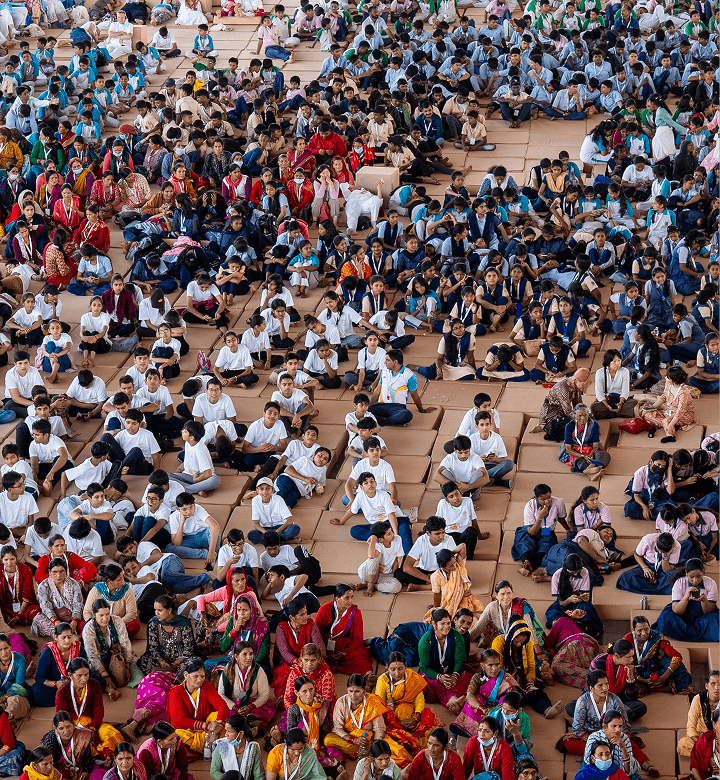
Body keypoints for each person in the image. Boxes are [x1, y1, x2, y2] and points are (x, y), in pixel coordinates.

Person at [122, 596, 196, 741]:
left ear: (170, 610)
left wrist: (175, 664)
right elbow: (153, 648)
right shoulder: (153, 623)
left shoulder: (183, 623)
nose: (156, 613)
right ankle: (161, 683)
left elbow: (188, 649)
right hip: (161, 660)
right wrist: (162, 662)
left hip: (180, 660)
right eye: (155, 610)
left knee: (192, 665)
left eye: (160, 610)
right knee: (146, 662)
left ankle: (140, 720)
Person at [324, 674, 412, 765]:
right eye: (350, 691)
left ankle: (366, 751)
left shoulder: (372, 702)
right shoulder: (341, 702)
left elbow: (379, 728)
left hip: (370, 739)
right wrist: (354, 740)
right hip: (349, 739)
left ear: (364, 691)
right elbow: (337, 728)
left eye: (357, 691)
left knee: (399, 752)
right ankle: (364, 751)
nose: (353, 695)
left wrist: (375, 746)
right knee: (328, 740)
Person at [55, 657, 124, 762]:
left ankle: (107, 757)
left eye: (86, 674)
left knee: (112, 734)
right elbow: (62, 717)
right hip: (71, 727)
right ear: (70, 675)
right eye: (79, 675)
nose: (84, 679)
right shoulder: (62, 692)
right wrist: (74, 729)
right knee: (80, 742)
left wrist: (92, 728)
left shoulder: (95, 685)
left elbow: (99, 710)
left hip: (92, 723)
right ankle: (97, 760)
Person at [374, 653, 443, 750]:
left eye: (400, 668)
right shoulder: (383, 680)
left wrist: (415, 718)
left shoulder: (412, 677)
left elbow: (420, 699)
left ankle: (409, 738)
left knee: (429, 725)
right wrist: (397, 722)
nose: (397, 673)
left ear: (405, 666)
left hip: (411, 714)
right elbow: (380, 704)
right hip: (391, 716)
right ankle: (406, 738)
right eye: (392, 669)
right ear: (387, 668)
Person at [165, 657, 231, 758]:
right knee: (177, 735)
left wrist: (217, 726)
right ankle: (212, 746)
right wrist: (206, 726)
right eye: (195, 676)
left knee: (221, 718)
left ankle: (203, 747)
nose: (200, 680)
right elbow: (179, 721)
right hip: (189, 730)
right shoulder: (176, 692)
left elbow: (223, 706)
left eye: (202, 676)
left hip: (210, 730)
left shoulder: (207, 687)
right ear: (186, 675)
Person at [449, 648, 518, 742]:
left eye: (497, 664)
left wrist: (494, 709)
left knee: (507, 709)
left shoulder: (507, 679)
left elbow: (513, 699)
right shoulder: (477, 677)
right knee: (472, 702)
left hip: (499, 709)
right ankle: (474, 734)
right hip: (483, 708)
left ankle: (492, 737)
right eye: (490, 665)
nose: (495, 668)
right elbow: (469, 695)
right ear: (482, 665)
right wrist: (483, 709)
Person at [81, 598, 139, 702]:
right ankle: (110, 689)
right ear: (94, 615)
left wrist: (126, 665)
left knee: (133, 676)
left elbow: (125, 644)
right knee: (92, 678)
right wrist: (105, 674)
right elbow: (92, 655)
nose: (105, 618)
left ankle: (112, 683)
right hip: (98, 659)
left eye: (107, 614)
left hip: (116, 655)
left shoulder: (117, 621)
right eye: (101, 615)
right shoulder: (88, 629)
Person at [622, 615, 693, 696]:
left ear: (649, 627)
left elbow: (676, 656)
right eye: (639, 630)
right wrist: (641, 679)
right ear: (633, 630)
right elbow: (623, 661)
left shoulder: (656, 637)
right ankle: (659, 687)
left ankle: (654, 685)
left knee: (676, 664)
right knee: (625, 676)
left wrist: (664, 677)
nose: (644, 633)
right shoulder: (627, 640)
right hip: (634, 670)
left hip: (652, 666)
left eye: (646, 629)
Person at [512, 483, 570, 577]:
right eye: (543, 499)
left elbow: (561, 518)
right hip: (531, 529)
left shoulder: (558, 502)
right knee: (524, 540)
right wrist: (540, 516)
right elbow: (532, 532)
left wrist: (568, 529)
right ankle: (525, 562)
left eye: (549, 497)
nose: (547, 501)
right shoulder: (530, 505)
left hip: (546, 530)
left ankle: (530, 566)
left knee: (547, 544)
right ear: (536, 498)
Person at [655, 558, 719, 642]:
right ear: (686, 574)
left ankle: (683, 633)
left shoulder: (711, 583)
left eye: (699, 576)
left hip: (702, 615)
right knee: (666, 617)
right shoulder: (679, 583)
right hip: (683, 614)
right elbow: (677, 611)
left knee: (714, 619)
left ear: (703, 572)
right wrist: (686, 596)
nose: (695, 580)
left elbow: (709, 611)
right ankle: (699, 634)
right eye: (691, 577)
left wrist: (704, 601)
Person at [314, 584, 372, 675]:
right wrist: (324, 654)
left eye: (352, 597)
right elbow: (316, 635)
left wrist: (343, 653)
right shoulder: (324, 609)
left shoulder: (355, 612)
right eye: (347, 598)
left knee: (362, 661)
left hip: (346, 646)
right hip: (325, 646)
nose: (351, 601)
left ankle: (368, 675)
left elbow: (358, 638)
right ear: (337, 598)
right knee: (316, 663)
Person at [417, 609, 467, 714]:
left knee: (465, 677)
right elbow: (424, 667)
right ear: (434, 624)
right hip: (433, 674)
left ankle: (453, 700)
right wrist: (440, 677)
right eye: (442, 624)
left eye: (448, 623)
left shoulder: (457, 637)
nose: (446, 627)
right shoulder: (425, 641)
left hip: (451, 672)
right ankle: (453, 699)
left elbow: (460, 660)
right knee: (430, 684)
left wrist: (455, 676)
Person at [368, 350, 436, 426]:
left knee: (407, 415)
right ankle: (392, 421)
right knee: (366, 410)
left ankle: (384, 421)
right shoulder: (384, 370)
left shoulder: (409, 375)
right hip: (381, 405)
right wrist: (370, 406)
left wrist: (422, 410)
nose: (385, 362)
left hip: (398, 408)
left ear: (395, 362)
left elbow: (414, 395)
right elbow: (378, 389)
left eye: (387, 360)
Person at [30, 622, 89, 708]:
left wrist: (76, 682)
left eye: (69, 637)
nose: (67, 640)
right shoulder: (48, 652)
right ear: (56, 637)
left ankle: (69, 697)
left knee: (98, 682)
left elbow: (86, 669)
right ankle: (71, 698)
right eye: (63, 637)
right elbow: (40, 678)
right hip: (55, 685)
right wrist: (56, 684)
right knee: (37, 691)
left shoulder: (78, 648)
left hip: (75, 682)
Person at [545, 553, 603, 639]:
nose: (575, 574)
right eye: (573, 572)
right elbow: (561, 602)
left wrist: (584, 597)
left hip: (577, 600)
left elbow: (584, 593)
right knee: (554, 614)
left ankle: (587, 628)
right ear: (566, 568)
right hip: (563, 602)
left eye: (578, 572)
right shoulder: (557, 575)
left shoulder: (584, 571)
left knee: (585, 607)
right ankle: (574, 623)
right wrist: (569, 600)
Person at [217, 641, 274, 725]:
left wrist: (251, 706)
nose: (249, 657)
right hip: (233, 703)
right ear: (236, 657)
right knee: (227, 717)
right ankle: (250, 725)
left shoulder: (258, 670)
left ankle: (250, 723)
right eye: (245, 654)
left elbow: (264, 693)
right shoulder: (228, 671)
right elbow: (221, 694)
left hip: (252, 702)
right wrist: (235, 707)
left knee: (260, 713)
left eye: (251, 654)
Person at [640, 365, 696, 443]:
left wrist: (671, 423)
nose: (665, 378)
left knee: (666, 421)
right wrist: (653, 406)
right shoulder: (668, 384)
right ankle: (671, 425)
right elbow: (664, 397)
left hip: (683, 415)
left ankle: (670, 435)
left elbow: (680, 412)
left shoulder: (684, 393)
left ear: (674, 381)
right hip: (670, 411)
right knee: (647, 414)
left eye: (668, 377)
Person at [82, 563, 140, 638]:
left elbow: (132, 613)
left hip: (118, 625)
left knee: (134, 625)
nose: (123, 581)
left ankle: (109, 637)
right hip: (98, 624)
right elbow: (87, 611)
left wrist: (114, 625)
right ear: (109, 581)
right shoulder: (97, 589)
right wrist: (97, 625)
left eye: (123, 577)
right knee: (82, 626)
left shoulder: (127, 590)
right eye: (119, 580)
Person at [31, 557, 83, 638]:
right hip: (53, 620)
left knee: (84, 623)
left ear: (66, 572)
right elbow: (45, 607)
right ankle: (63, 636)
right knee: (39, 619)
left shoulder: (74, 584)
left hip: (71, 617)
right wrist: (56, 621)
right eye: (54, 572)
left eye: (61, 571)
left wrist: (74, 622)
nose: (58, 575)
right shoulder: (43, 586)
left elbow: (78, 604)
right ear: (49, 572)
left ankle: (64, 636)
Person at [535, 368, 592, 441]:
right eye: (583, 385)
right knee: (570, 426)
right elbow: (568, 412)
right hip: (550, 412)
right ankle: (544, 426)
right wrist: (582, 418)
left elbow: (578, 404)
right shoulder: (563, 388)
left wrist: (586, 414)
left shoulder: (575, 385)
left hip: (562, 411)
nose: (584, 387)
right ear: (576, 380)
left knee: (585, 419)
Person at [42, 711, 102, 780]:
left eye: (68, 727)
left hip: (79, 766)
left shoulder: (82, 736)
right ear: (55, 729)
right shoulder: (50, 741)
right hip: (59, 771)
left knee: (96, 776)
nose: (66, 731)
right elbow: (49, 765)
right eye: (61, 728)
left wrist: (85, 772)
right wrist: (63, 774)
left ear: (73, 725)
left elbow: (87, 758)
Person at [545, 614, 601, 688]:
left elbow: (548, 641)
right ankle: (591, 684)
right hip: (589, 650)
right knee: (560, 675)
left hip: (576, 644)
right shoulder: (575, 627)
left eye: (554, 625)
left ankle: (595, 676)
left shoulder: (562, 619)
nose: (554, 627)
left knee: (556, 666)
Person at [616, 531, 681, 595]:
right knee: (625, 577)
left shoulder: (676, 546)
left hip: (663, 569)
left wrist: (664, 555)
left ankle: (651, 585)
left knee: (677, 579)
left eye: (662, 551)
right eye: (659, 550)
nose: (660, 552)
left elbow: (667, 570)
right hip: (648, 565)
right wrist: (645, 568)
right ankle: (658, 587)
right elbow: (637, 555)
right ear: (656, 540)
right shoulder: (648, 539)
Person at [560, 404, 611, 481]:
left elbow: (595, 445)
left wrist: (590, 455)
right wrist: (583, 456)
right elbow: (568, 449)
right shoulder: (569, 426)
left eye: (585, 415)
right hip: (575, 450)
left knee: (604, 455)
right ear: (574, 415)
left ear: (588, 414)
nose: (583, 418)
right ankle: (592, 474)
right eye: (580, 415)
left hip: (590, 449)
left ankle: (590, 468)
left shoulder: (594, 425)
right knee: (579, 460)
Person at [210, 714, 264, 780]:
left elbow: (259, 777)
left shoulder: (253, 749)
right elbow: (214, 771)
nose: (226, 735)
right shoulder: (222, 745)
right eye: (226, 731)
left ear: (240, 733)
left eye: (229, 732)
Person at [677, 671, 719, 756]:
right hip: (701, 736)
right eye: (713, 684)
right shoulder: (698, 699)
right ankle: (711, 758)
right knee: (684, 743)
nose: (717, 688)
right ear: (706, 686)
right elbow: (691, 727)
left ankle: (709, 756)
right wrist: (701, 743)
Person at [461, 715, 515, 780]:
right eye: (480, 730)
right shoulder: (473, 743)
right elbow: (466, 767)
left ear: (495, 733)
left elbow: (507, 775)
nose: (482, 734)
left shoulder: (504, 747)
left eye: (486, 731)